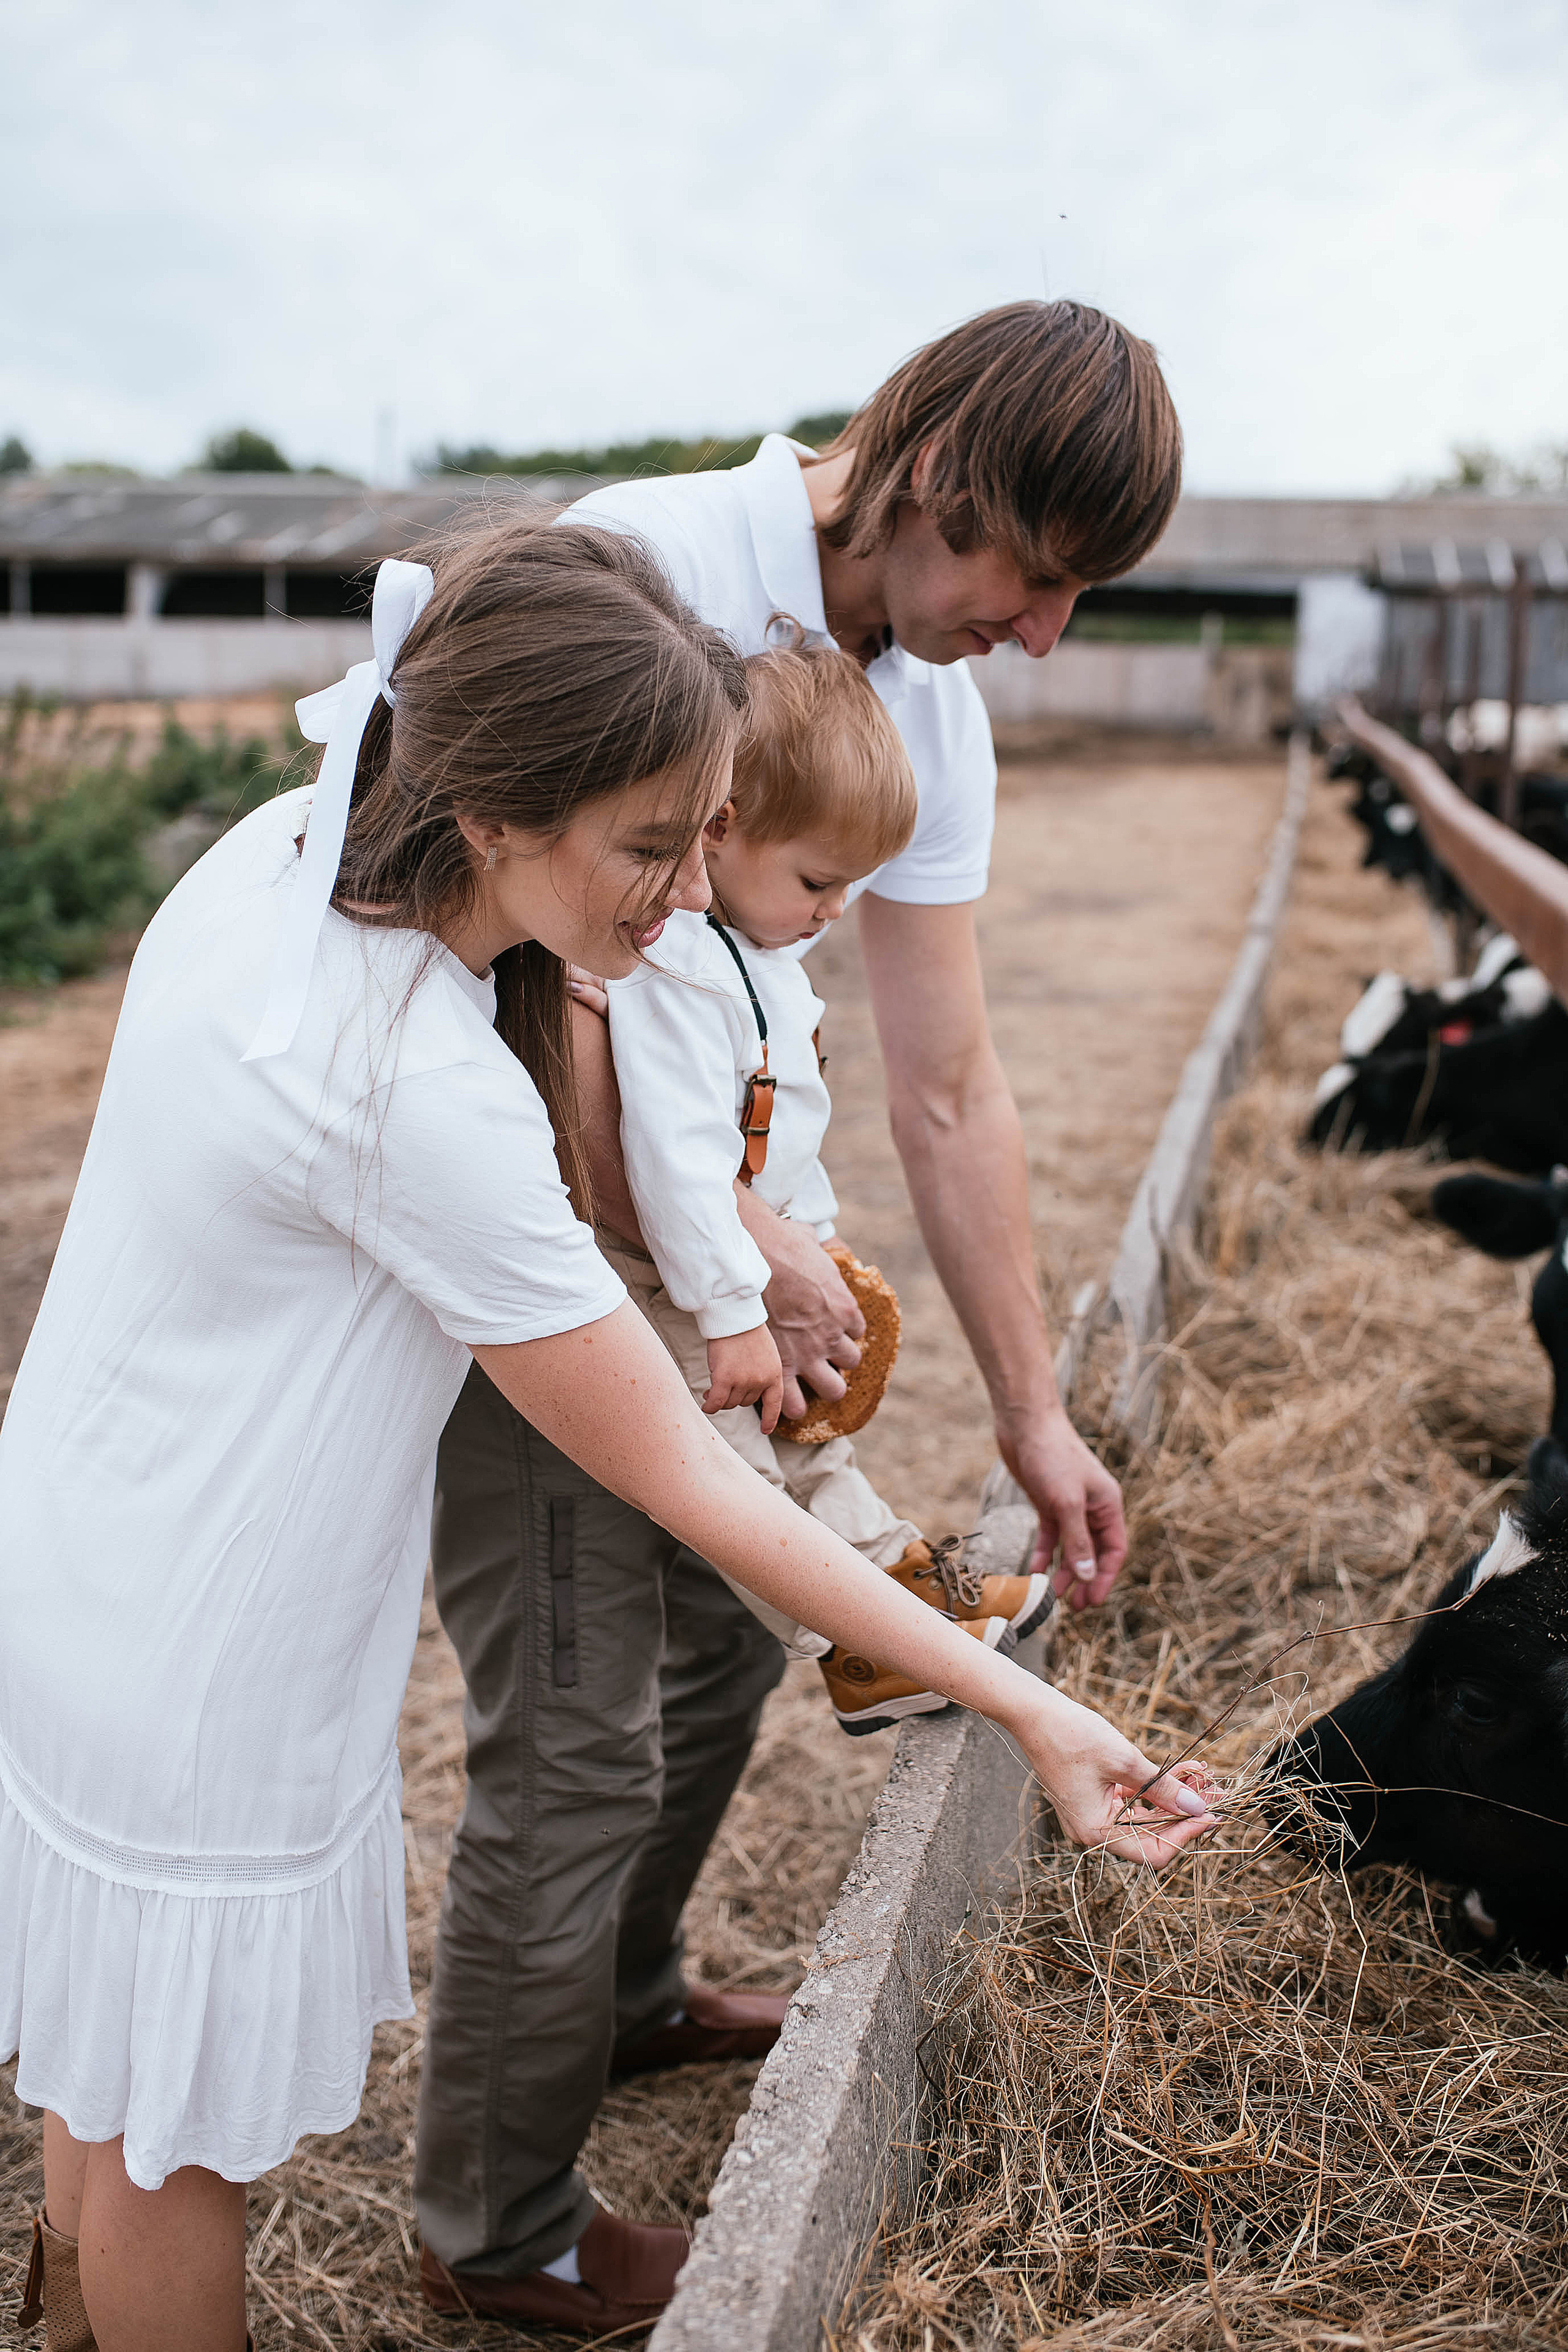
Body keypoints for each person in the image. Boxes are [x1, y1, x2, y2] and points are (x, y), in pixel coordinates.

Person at [0, 521, 1212, 2352]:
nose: (677, 901)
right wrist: (1031, 1704)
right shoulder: (411, 1087)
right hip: (207, 1651)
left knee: (114, 2075)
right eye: (649, 848)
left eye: (700, 834)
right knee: (182, 2152)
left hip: (87, 1543)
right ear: (497, 814)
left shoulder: (290, 848)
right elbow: (684, 1472)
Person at [415, 298, 1186, 2331]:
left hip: (695, 1282)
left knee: (709, 1655)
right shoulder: (634, 573)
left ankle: (632, 1994)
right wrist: (728, 1218)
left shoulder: (921, 706)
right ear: (937, 487)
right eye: (1037, 578)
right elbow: (480, 950)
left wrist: (1031, 1411)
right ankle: (502, 2233)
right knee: (572, 1725)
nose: (1044, 636)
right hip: (535, 1274)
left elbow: (944, 1078)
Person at [601, 624, 1052, 1732]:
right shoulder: (668, 967)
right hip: (676, 1283)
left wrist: (819, 1247)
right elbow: (673, 1163)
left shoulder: (765, 966)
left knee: (814, 1442)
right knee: (739, 1470)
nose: (834, 912)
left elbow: (781, 1140)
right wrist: (729, 1310)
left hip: (743, 1274)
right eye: (818, 880)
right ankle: (848, 1641)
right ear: (723, 825)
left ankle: (901, 1592)